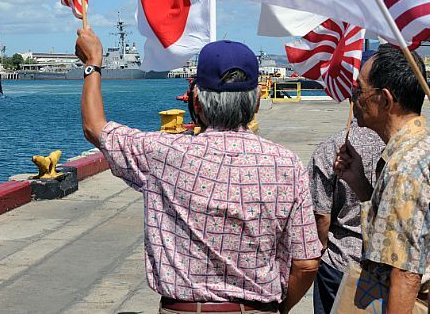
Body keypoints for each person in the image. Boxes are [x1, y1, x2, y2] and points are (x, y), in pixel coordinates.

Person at [76, 26, 321, 314]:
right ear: (255, 102)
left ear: (196, 102)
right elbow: (306, 264)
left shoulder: (162, 154)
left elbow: (95, 127)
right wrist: (280, 309)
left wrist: (93, 63)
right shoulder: (286, 164)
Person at [335, 44, 429, 313]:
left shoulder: (404, 167)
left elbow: (405, 272)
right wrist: (361, 186)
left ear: (385, 100)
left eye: (360, 91)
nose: (355, 98)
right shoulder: (418, 147)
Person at [308, 118, 384, 314]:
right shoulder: (401, 147)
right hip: (388, 266)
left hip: (340, 262)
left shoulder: (333, 147)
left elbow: (321, 216)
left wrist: (320, 251)